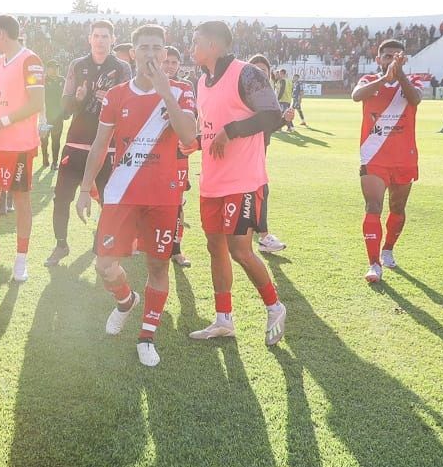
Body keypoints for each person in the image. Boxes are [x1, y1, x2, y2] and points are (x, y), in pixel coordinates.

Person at [74, 24, 197, 367]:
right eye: (143, 47)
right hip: (120, 193)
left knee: (157, 265)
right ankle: (126, 300)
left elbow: (188, 135)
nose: (151, 54)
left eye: (157, 48)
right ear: (133, 53)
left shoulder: (183, 91)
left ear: (166, 52)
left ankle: (146, 336)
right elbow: (100, 145)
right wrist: (85, 188)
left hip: (163, 196)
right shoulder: (116, 95)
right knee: (104, 264)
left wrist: (165, 92)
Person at [187, 22, 287, 346]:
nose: (191, 48)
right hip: (212, 183)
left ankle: (275, 307)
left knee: (240, 250)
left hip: (243, 182)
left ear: (214, 45)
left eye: (196, 42)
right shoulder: (201, 82)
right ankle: (223, 320)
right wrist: (195, 143)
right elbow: (209, 129)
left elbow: (273, 114)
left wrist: (231, 130)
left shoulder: (247, 74)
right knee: (215, 246)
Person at [45, 21, 132, 267]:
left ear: (113, 39)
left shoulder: (122, 67)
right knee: (61, 197)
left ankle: (101, 245)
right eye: (96, 36)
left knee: (108, 199)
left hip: (108, 146)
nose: (100, 40)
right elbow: (65, 107)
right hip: (77, 143)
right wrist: (78, 98)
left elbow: (130, 106)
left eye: (105, 36)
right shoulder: (77, 65)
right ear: (89, 39)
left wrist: (113, 101)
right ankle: (61, 244)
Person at [352, 39, 423, 283]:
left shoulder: (411, 82)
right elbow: (356, 96)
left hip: (404, 157)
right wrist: (385, 78)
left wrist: (399, 74)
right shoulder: (368, 81)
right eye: (386, 56)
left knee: (398, 208)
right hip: (373, 156)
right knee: (373, 207)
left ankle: (388, 250)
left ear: (403, 59)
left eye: (396, 56)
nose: (391, 59)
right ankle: (374, 264)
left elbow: (415, 100)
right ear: (378, 59)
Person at [0, 15, 44, 283]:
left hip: (19, 145)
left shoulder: (31, 60)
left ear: (3, 35)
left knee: (21, 201)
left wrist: (2, 121)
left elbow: (36, 103)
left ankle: (21, 259)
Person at [247, 55, 288, 255]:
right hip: (245, 155)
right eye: (255, 70)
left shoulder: (265, 97)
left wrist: (282, 121)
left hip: (259, 153)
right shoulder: (244, 96)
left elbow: (266, 129)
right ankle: (263, 237)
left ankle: (261, 236)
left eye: (263, 70)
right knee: (259, 192)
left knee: (259, 193)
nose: (260, 74)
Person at [162, 46, 194, 267]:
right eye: (167, 61)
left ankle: (176, 248)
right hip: (151, 153)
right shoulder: (147, 86)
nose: (170, 66)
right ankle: (144, 242)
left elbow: (189, 120)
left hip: (177, 154)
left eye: (174, 62)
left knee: (176, 204)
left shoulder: (185, 87)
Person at [40, 59, 65, 170]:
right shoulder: (42, 80)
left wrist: (66, 112)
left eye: (57, 67)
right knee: (44, 139)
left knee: (56, 140)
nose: (55, 70)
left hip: (58, 117)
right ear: (48, 69)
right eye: (53, 67)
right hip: (45, 116)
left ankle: (55, 162)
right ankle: (45, 158)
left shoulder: (62, 80)